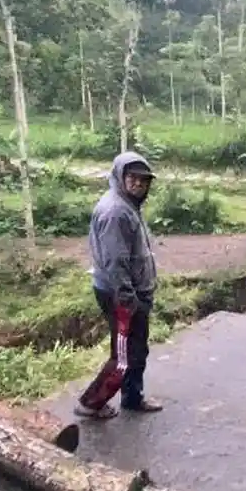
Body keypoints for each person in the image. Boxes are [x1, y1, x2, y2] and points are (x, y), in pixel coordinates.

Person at [76, 151, 164, 419]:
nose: (138, 184)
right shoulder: (115, 212)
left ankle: (132, 398)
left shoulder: (127, 206)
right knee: (125, 356)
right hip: (121, 294)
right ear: (120, 177)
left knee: (136, 350)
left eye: (144, 180)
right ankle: (91, 403)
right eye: (133, 178)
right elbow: (115, 261)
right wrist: (127, 297)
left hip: (131, 292)